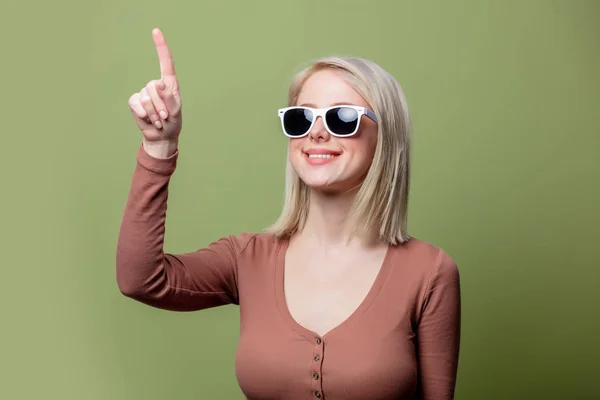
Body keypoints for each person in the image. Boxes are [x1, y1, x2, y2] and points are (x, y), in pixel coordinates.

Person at [117, 27, 461, 400]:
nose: (316, 133)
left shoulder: (429, 273)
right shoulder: (247, 258)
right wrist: (159, 147)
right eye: (301, 118)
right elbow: (142, 280)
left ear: (386, 135)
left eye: (341, 118)